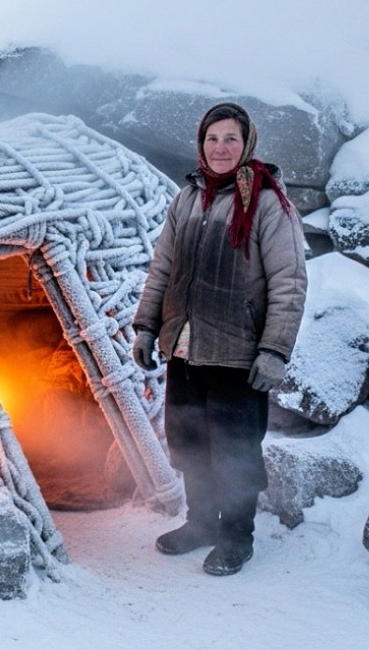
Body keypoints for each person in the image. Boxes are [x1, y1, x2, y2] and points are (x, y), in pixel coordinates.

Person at [131, 101, 307, 576]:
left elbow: (289, 280)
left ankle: (237, 537)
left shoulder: (269, 202)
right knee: (190, 442)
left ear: (246, 143)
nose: (220, 147)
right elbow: (163, 268)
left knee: (234, 449)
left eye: (230, 138)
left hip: (236, 350)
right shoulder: (188, 197)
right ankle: (202, 523)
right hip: (186, 346)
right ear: (200, 144)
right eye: (212, 138)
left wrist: (274, 350)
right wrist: (148, 326)